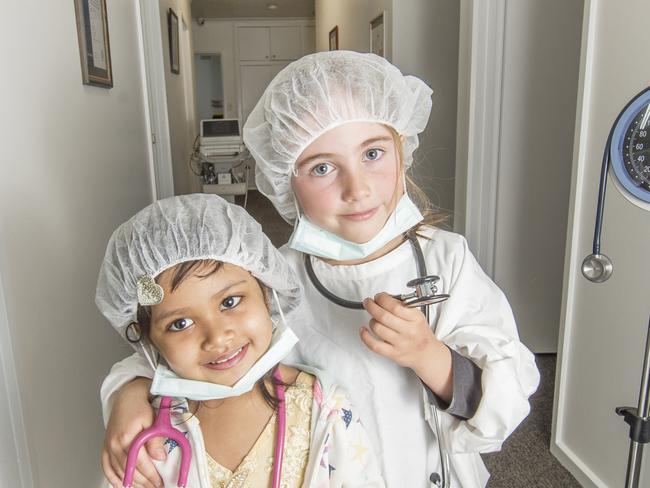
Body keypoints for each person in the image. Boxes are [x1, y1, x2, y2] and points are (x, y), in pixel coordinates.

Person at [100, 51, 540, 487]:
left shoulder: (449, 261)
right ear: (283, 178)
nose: (357, 188)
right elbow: (179, 346)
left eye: (373, 153)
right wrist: (130, 393)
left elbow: (507, 392)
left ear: (402, 151)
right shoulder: (269, 279)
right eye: (322, 167)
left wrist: (430, 356)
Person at [95, 194, 384, 487]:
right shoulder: (146, 437)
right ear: (149, 342)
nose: (217, 337)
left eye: (230, 302)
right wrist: (128, 393)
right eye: (180, 323)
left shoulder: (325, 409)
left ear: (268, 293)